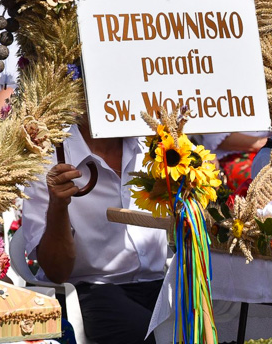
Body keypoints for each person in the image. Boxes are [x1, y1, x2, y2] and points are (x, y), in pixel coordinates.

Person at [20, 117, 166, 343]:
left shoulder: (159, 147)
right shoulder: (46, 161)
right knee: (150, 336)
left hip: (160, 282)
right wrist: (58, 206)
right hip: (93, 289)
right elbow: (57, 271)